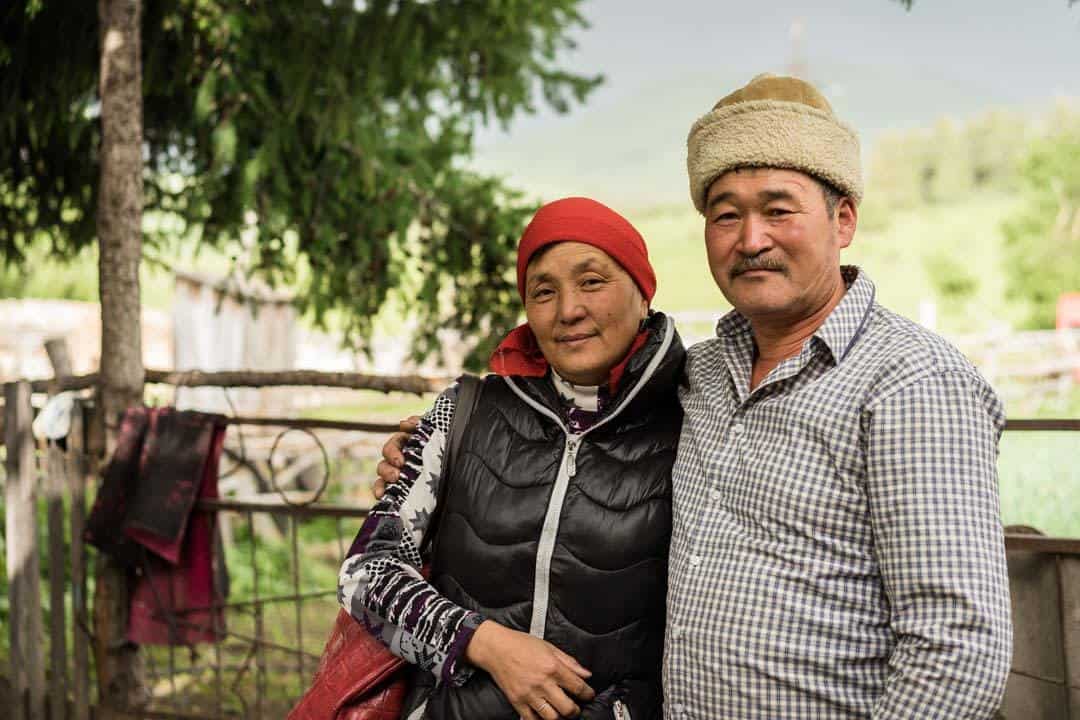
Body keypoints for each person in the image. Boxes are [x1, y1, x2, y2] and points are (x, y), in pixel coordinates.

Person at [378, 74, 1014, 718]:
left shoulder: (912, 381)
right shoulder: (701, 377)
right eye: (726, 214)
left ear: (843, 218)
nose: (751, 238)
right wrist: (435, 448)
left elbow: (956, 647)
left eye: (779, 208)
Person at [340, 197, 685, 720]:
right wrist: (485, 644)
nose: (568, 310)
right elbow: (366, 573)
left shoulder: (696, 418)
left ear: (643, 291)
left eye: (592, 281)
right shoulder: (464, 411)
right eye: (543, 291)